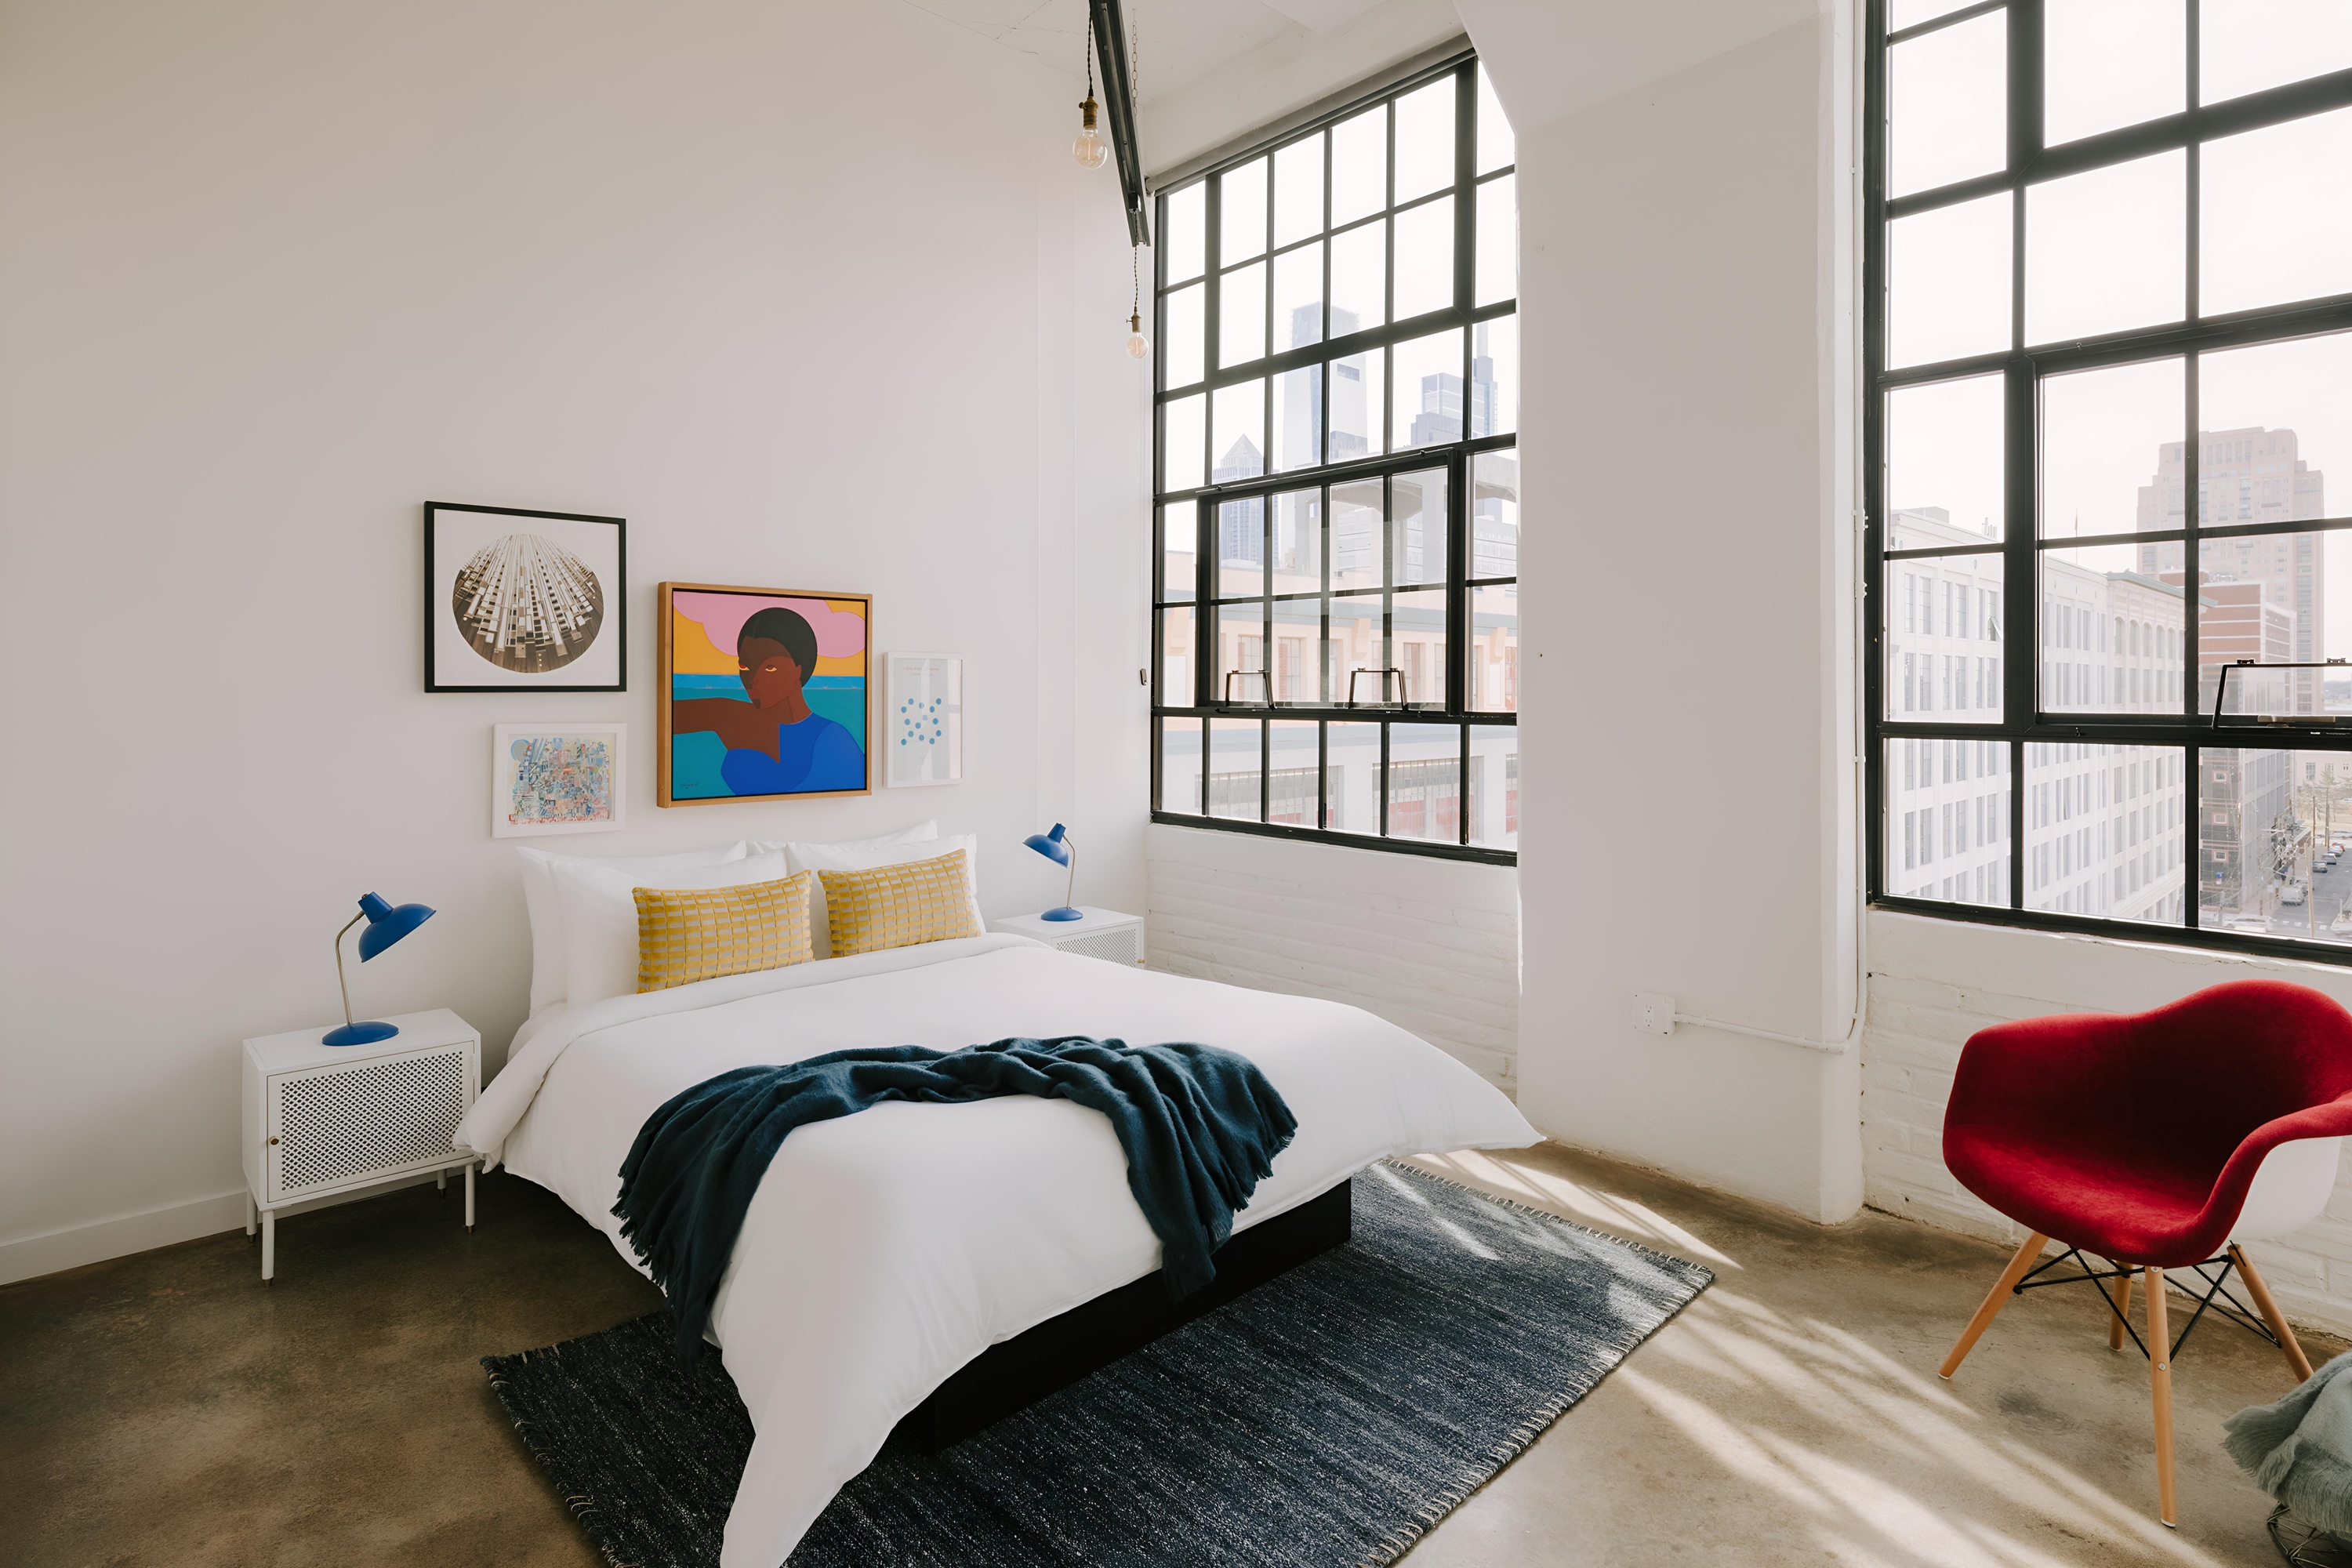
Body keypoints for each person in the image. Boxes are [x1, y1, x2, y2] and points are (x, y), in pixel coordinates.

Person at [671, 606, 864, 794]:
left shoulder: (833, 739)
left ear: (799, 668)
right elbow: (657, 719)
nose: (753, 678)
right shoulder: (726, 714)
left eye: (770, 668)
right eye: (745, 667)